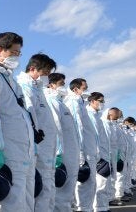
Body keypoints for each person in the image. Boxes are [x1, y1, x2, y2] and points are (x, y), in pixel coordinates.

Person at [0, 32, 36, 212]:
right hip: (6, 153)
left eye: (19, 53)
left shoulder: (11, 80)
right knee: (10, 204)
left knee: (25, 202)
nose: (17, 57)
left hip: (23, 152)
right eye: (14, 53)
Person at [16, 54, 59, 212]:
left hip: (46, 149)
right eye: (45, 73)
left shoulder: (38, 89)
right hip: (37, 148)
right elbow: (29, 119)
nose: (47, 77)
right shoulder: (23, 87)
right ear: (33, 69)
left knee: (46, 186)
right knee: (39, 189)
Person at [44, 73, 81, 212]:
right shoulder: (51, 101)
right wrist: (59, 153)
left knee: (68, 189)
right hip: (63, 154)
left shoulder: (61, 103)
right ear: (51, 85)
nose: (63, 87)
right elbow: (55, 128)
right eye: (61, 84)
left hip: (71, 152)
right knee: (61, 190)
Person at [64, 78, 97, 212]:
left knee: (90, 184)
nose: (87, 90)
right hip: (83, 150)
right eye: (85, 88)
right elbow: (78, 129)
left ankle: (86, 208)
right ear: (75, 89)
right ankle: (83, 209)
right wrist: (81, 153)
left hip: (89, 149)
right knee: (85, 184)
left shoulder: (80, 103)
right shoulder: (73, 103)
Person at [86, 92, 110, 212]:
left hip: (102, 154)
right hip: (94, 154)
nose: (102, 104)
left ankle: (102, 207)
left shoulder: (98, 117)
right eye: (101, 101)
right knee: (95, 183)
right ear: (92, 101)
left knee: (102, 182)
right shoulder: (88, 115)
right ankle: (98, 208)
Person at [104, 107, 126, 207]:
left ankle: (112, 197)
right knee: (106, 179)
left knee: (113, 177)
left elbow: (117, 143)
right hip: (106, 154)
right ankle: (108, 199)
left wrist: (118, 156)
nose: (119, 117)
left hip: (114, 154)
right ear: (110, 114)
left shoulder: (114, 126)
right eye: (117, 115)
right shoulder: (104, 124)